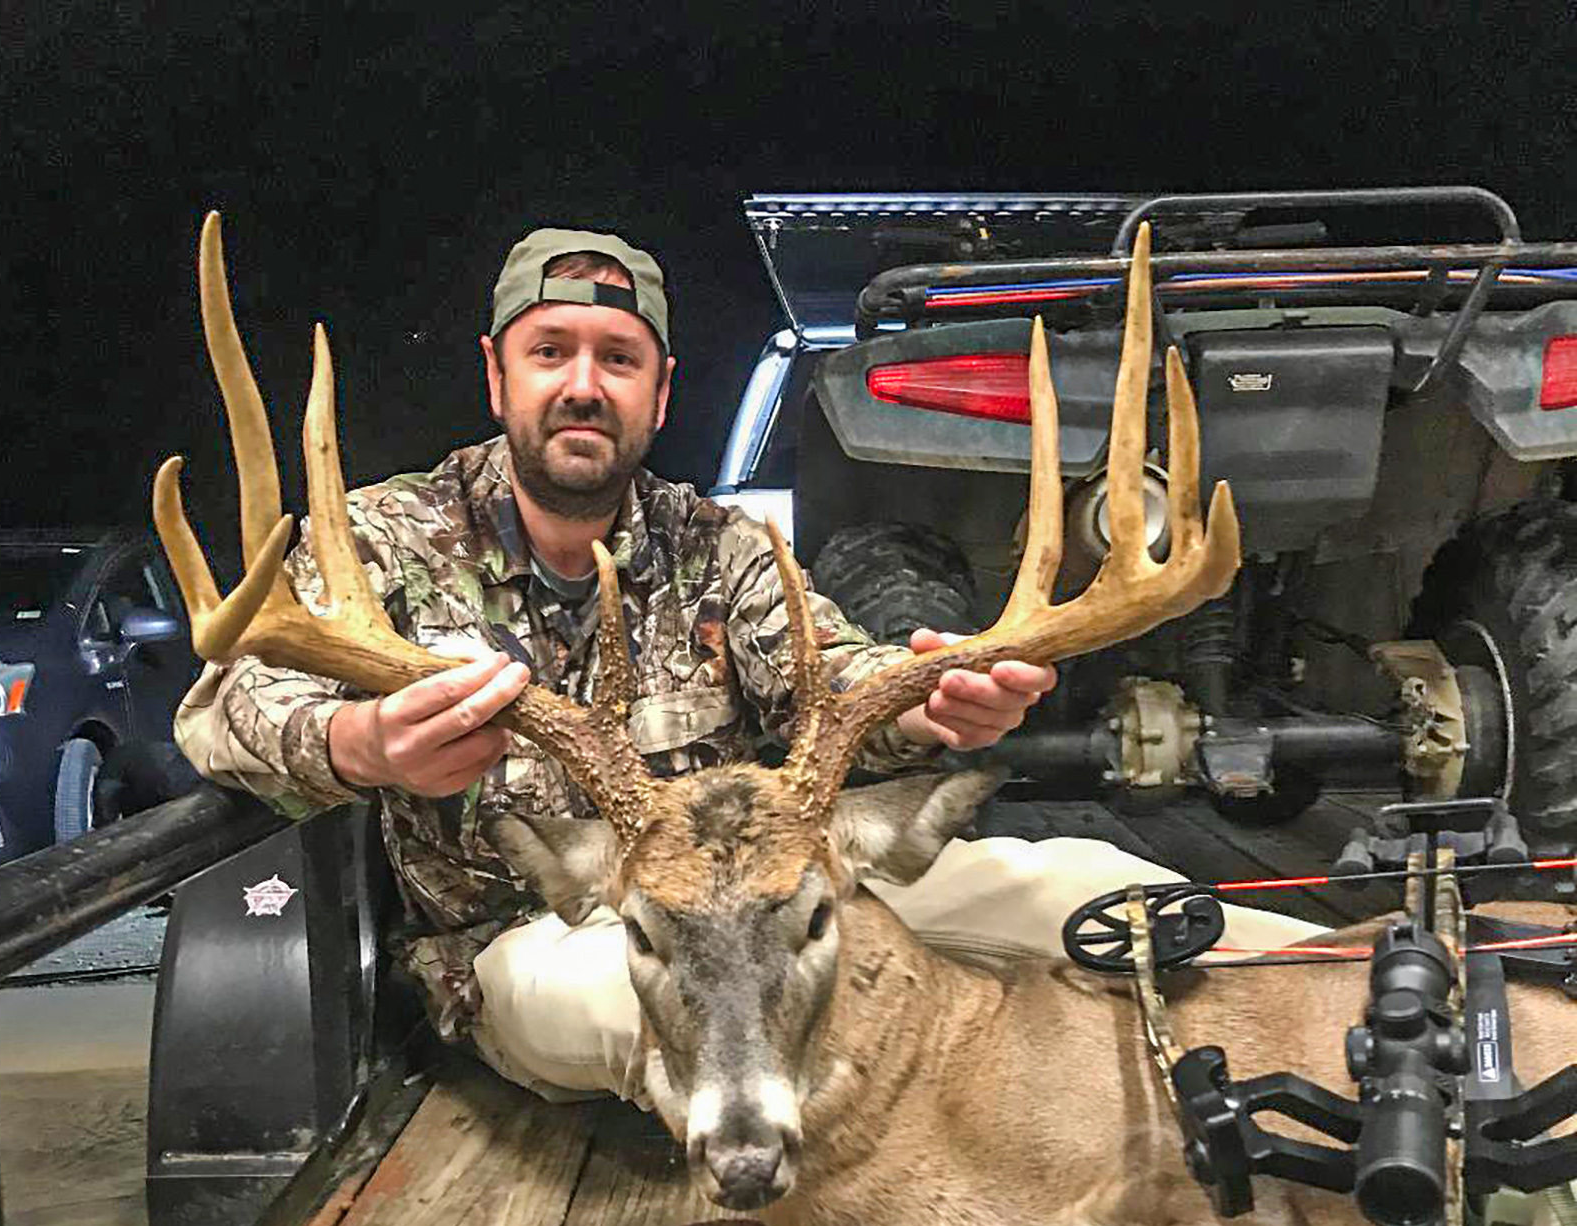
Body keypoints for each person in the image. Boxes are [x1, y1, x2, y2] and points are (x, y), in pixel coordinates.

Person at [175, 227, 1325, 1102]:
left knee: (1079, 885)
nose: (584, 383)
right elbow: (220, 713)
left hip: (767, 898)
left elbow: (836, 675)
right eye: (550, 352)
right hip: (537, 940)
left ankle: (1363, 993)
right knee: (669, 1015)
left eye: (618, 358)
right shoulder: (386, 539)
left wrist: (932, 706)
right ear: (497, 374)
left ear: (659, 389)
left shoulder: (717, 548)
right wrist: (362, 744)